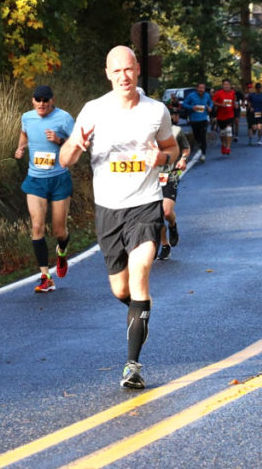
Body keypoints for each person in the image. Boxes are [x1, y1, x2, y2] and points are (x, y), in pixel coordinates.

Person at [60, 46, 179, 390]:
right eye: (116, 72)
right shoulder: (93, 110)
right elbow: (65, 159)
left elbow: (171, 148)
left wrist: (162, 158)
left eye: (128, 69)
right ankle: (139, 312)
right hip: (109, 209)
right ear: (108, 74)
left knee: (140, 272)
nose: (123, 77)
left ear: (137, 70)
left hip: (145, 204)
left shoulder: (156, 111)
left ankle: (132, 365)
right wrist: (77, 146)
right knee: (121, 289)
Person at [14, 85, 75, 292]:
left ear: (52, 100)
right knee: (37, 227)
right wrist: (20, 147)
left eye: (45, 100)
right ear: (33, 101)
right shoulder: (27, 117)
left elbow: (76, 144)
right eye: (37, 100)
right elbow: (24, 134)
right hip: (36, 179)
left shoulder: (64, 118)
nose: (41, 104)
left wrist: (59, 141)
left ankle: (62, 250)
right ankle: (45, 276)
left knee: (59, 230)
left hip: (59, 179)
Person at [157, 107, 191, 260]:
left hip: (170, 174)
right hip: (149, 177)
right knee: (155, 215)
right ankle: (164, 245)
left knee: (166, 212)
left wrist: (183, 159)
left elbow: (185, 148)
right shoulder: (144, 132)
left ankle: (172, 225)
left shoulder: (176, 131)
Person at [181, 83, 213, 162]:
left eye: (203, 88)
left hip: (204, 119)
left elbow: (211, 103)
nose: (202, 89)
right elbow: (184, 104)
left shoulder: (207, 95)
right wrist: (192, 107)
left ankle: (203, 154)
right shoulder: (191, 95)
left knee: (203, 136)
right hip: (194, 119)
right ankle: (199, 145)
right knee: (197, 136)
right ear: (197, 88)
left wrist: (210, 107)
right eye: (200, 88)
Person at [211, 79, 237, 155]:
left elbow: (234, 101)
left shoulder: (232, 93)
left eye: (228, 84)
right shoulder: (218, 93)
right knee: (222, 133)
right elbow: (213, 102)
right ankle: (223, 144)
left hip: (230, 115)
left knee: (229, 130)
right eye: (225, 84)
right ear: (222, 85)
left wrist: (235, 105)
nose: (226, 86)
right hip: (221, 116)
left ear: (230, 85)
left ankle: (228, 147)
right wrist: (220, 105)